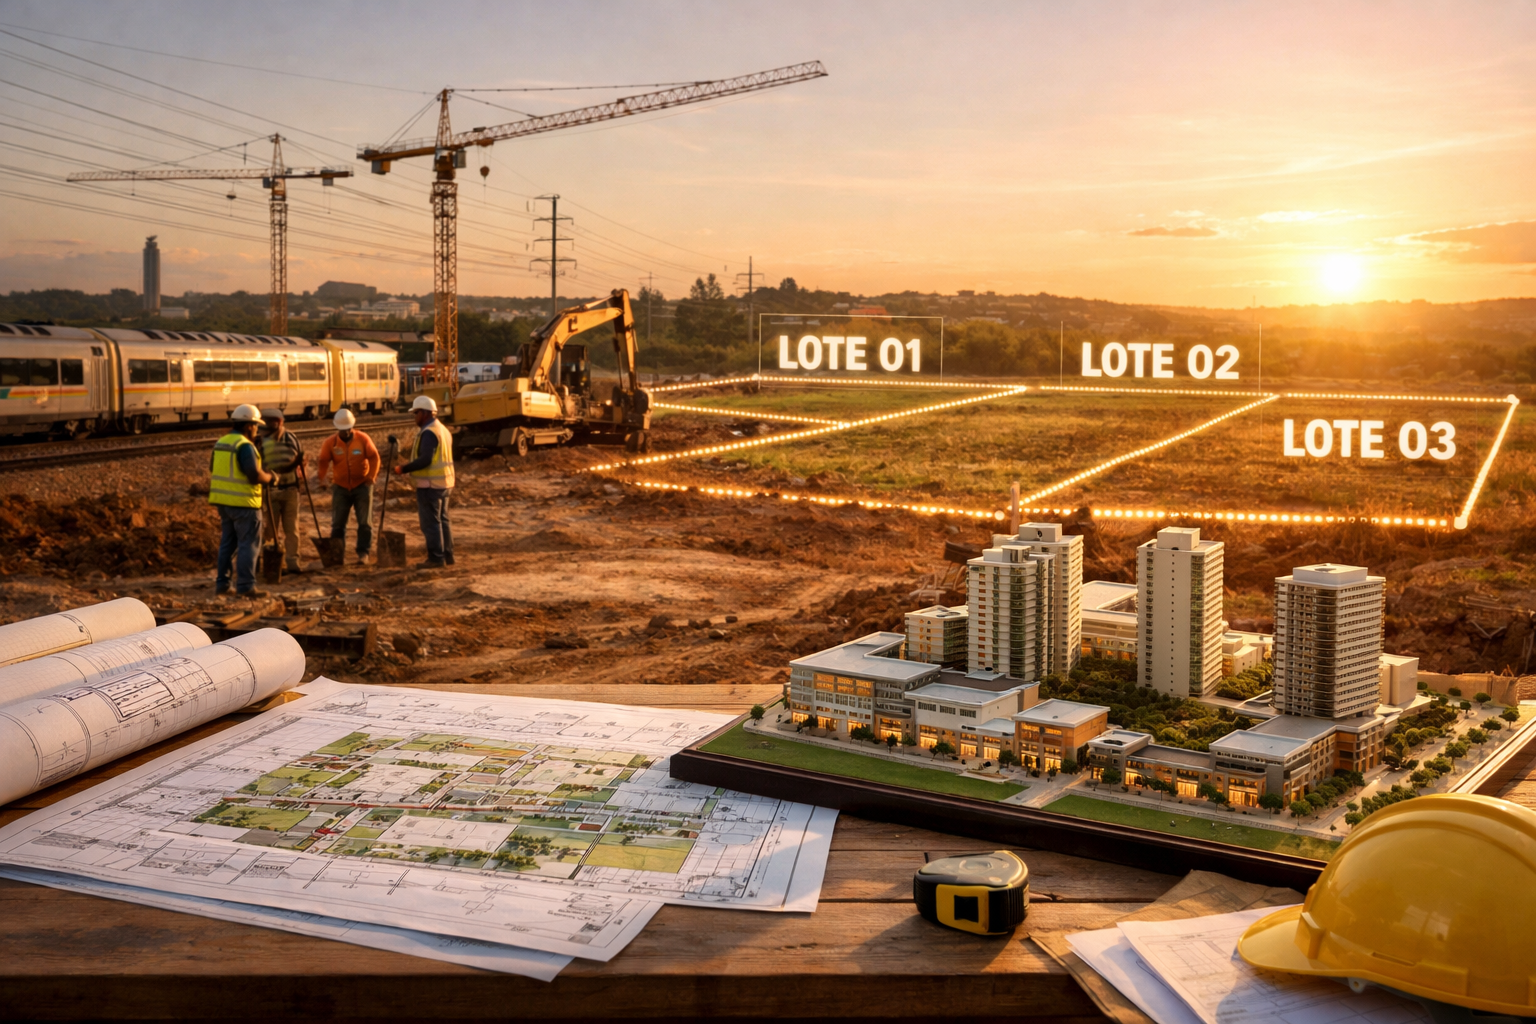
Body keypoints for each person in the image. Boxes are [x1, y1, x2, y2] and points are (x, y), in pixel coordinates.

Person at [209, 404, 275, 598]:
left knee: (227, 544)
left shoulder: (222, 442)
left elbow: (214, 468)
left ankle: (223, 584)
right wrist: (270, 478)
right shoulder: (244, 446)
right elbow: (254, 475)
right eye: (255, 427)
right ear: (248, 426)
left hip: (224, 503)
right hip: (245, 504)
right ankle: (246, 586)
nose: (256, 431)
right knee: (248, 544)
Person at [393, 394, 455, 568]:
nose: (414, 417)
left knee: (431, 523)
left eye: (416, 413)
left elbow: (426, 459)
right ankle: (448, 556)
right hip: (445, 482)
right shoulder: (442, 429)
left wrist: (403, 468)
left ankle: (436, 558)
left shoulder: (429, 432)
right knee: (443, 520)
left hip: (430, 485)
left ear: (425, 413)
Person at [316, 408, 381, 562]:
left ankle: (363, 553)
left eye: (348, 429)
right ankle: (337, 555)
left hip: (362, 486)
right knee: (338, 523)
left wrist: (371, 476)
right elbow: (323, 461)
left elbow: (374, 458)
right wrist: (322, 478)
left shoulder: (363, 439)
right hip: (340, 487)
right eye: (342, 430)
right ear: (337, 428)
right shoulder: (330, 443)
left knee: (365, 522)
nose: (346, 433)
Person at [259, 408, 306, 573]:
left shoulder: (290, 438)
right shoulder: (260, 441)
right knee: (270, 530)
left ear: (279, 422)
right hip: (270, 491)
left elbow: (301, 460)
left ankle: (293, 563)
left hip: (290, 489)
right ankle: (268, 563)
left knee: (291, 528)